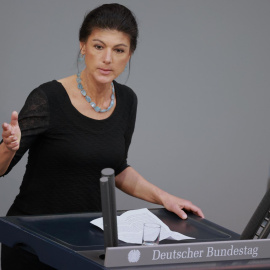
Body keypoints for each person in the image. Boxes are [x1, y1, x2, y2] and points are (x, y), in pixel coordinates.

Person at [0, 3, 204, 269]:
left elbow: (116, 169)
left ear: (129, 54)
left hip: (88, 243)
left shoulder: (127, 101)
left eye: (118, 50)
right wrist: (8, 145)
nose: (107, 59)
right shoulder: (48, 98)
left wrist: (165, 197)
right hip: (34, 243)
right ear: (83, 46)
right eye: (98, 46)